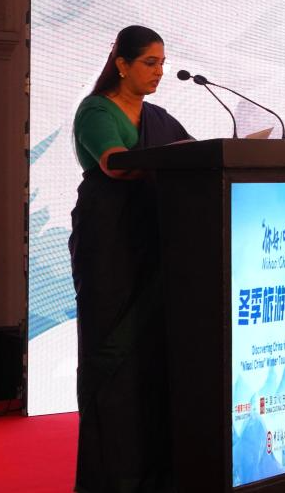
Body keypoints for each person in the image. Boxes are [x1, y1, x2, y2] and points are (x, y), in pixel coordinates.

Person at [69, 25, 191, 492]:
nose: (159, 72)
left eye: (162, 63)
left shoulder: (158, 117)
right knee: (113, 352)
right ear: (122, 64)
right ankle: (112, 478)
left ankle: (158, 474)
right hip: (111, 243)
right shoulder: (96, 110)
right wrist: (172, 160)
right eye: (150, 63)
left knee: (156, 355)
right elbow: (115, 164)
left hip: (159, 239)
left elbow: (197, 157)